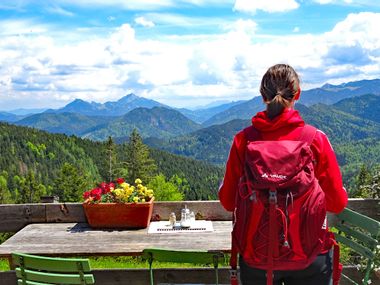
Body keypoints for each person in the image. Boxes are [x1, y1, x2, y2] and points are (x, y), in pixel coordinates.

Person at [218, 64, 348, 285]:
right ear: (297, 94)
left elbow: (229, 202)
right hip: (310, 257)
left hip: (256, 258)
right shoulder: (315, 140)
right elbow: (336, 204)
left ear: (262, 95)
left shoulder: (243, 140)